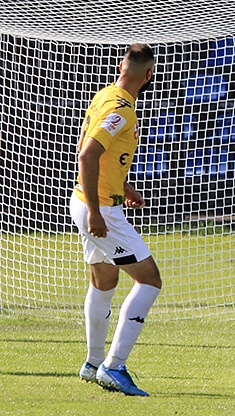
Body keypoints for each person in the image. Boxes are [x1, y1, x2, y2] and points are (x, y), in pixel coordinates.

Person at [70, 43, 161, 396]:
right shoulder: (121, 109)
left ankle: (93, 364)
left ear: (120, 66)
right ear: (149, 75)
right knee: (150, 280)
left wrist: (124, 185)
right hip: (101, 209)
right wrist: (96, 210)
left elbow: (95, 148)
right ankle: (114, 365)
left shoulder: (105, 94)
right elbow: (87, 153)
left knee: (103, 282)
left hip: (87, 199)